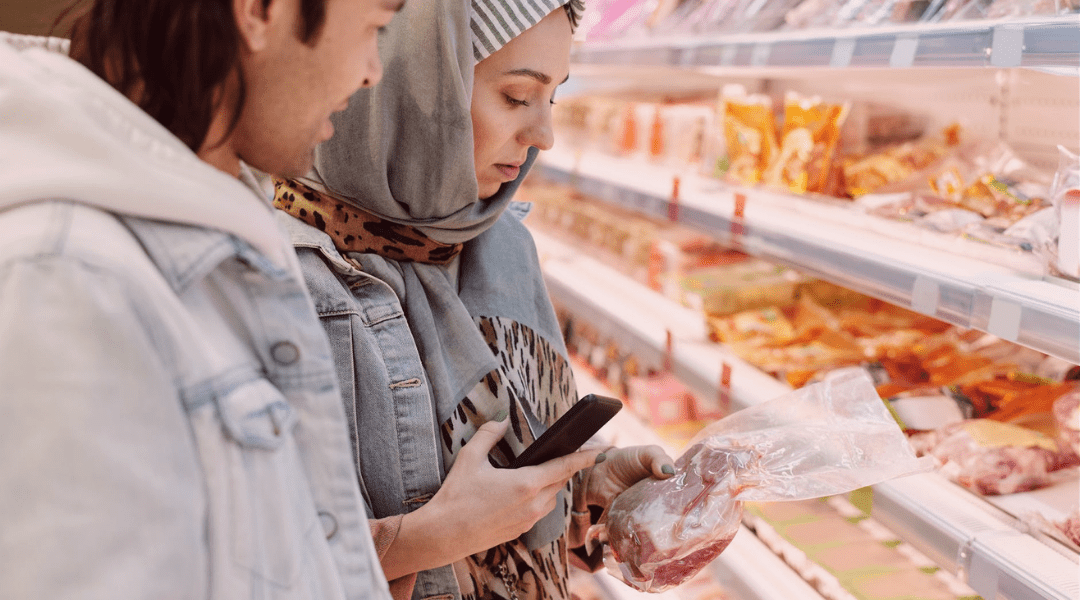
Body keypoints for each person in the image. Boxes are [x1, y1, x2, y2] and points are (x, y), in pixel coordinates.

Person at [272, 2, 677, 599]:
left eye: (553, 98)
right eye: (517, 97)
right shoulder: (275, 275)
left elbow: (497, 499)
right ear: (411, 85)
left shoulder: (501, 245)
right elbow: (222, 564)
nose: (545, 135)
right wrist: (424, 539)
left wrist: (582, 485)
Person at [0, 0, 401, 597]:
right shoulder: (68, 282)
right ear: (258, 11)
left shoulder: (202, 233)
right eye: (374, 26)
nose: (372, 70)